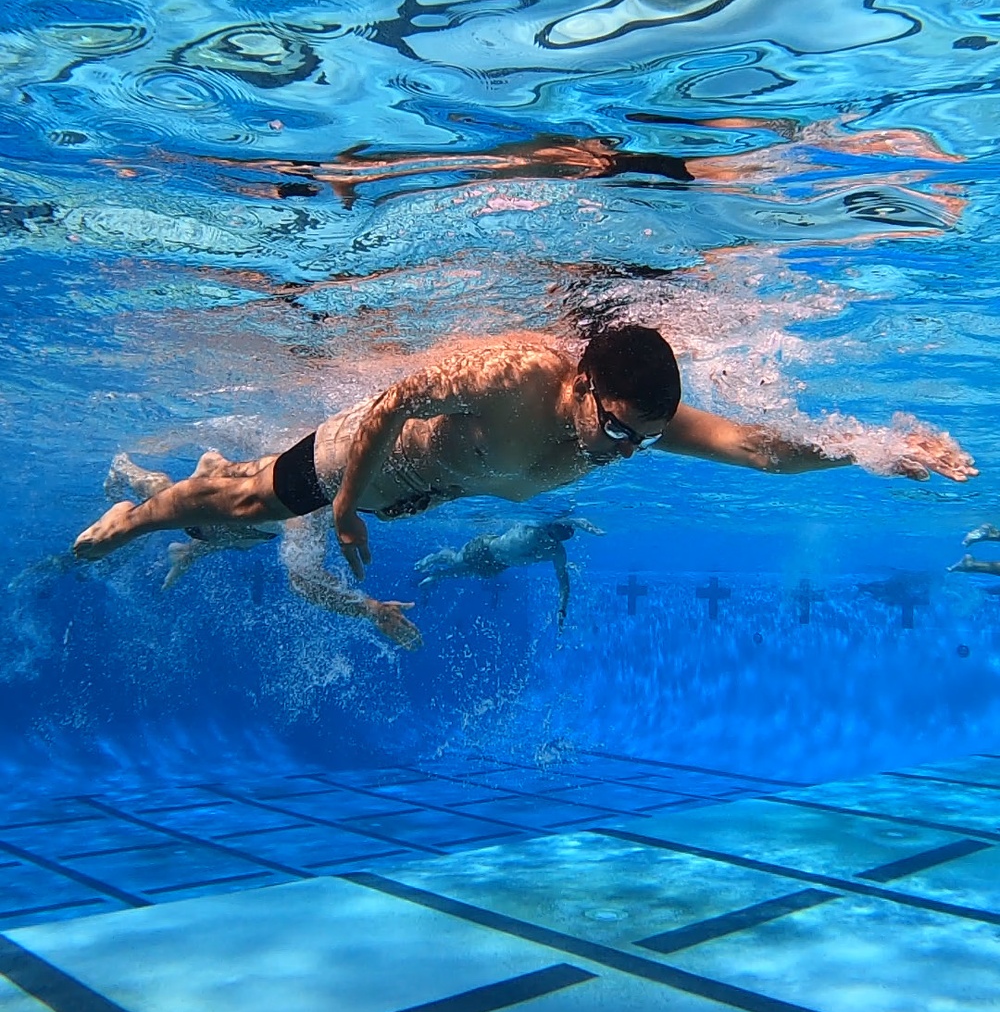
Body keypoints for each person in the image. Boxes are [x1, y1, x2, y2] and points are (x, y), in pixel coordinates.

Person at [73, 324, 976, 648]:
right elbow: (397, 396)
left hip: (433, 490)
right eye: (616, 428)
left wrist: (864, 448)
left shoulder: (637, 426)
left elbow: (762, 451)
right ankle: (134, 514)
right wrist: (345, 504)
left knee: (235, 533)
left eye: (647, 438)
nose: (626, 451)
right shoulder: (517, 376)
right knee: (242, 511)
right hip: (378, 458)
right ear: (583, 385)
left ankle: (189, 487)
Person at [415, 516, 603, 625]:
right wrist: (580, 522)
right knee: (457, 560)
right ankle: (434, 558)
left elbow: (563, 579)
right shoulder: (534, 528)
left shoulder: (557, 552)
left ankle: (436, 575)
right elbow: (560, 519)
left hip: (499, 564)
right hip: (485, 546)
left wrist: (562, 607)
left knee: (464, 572)